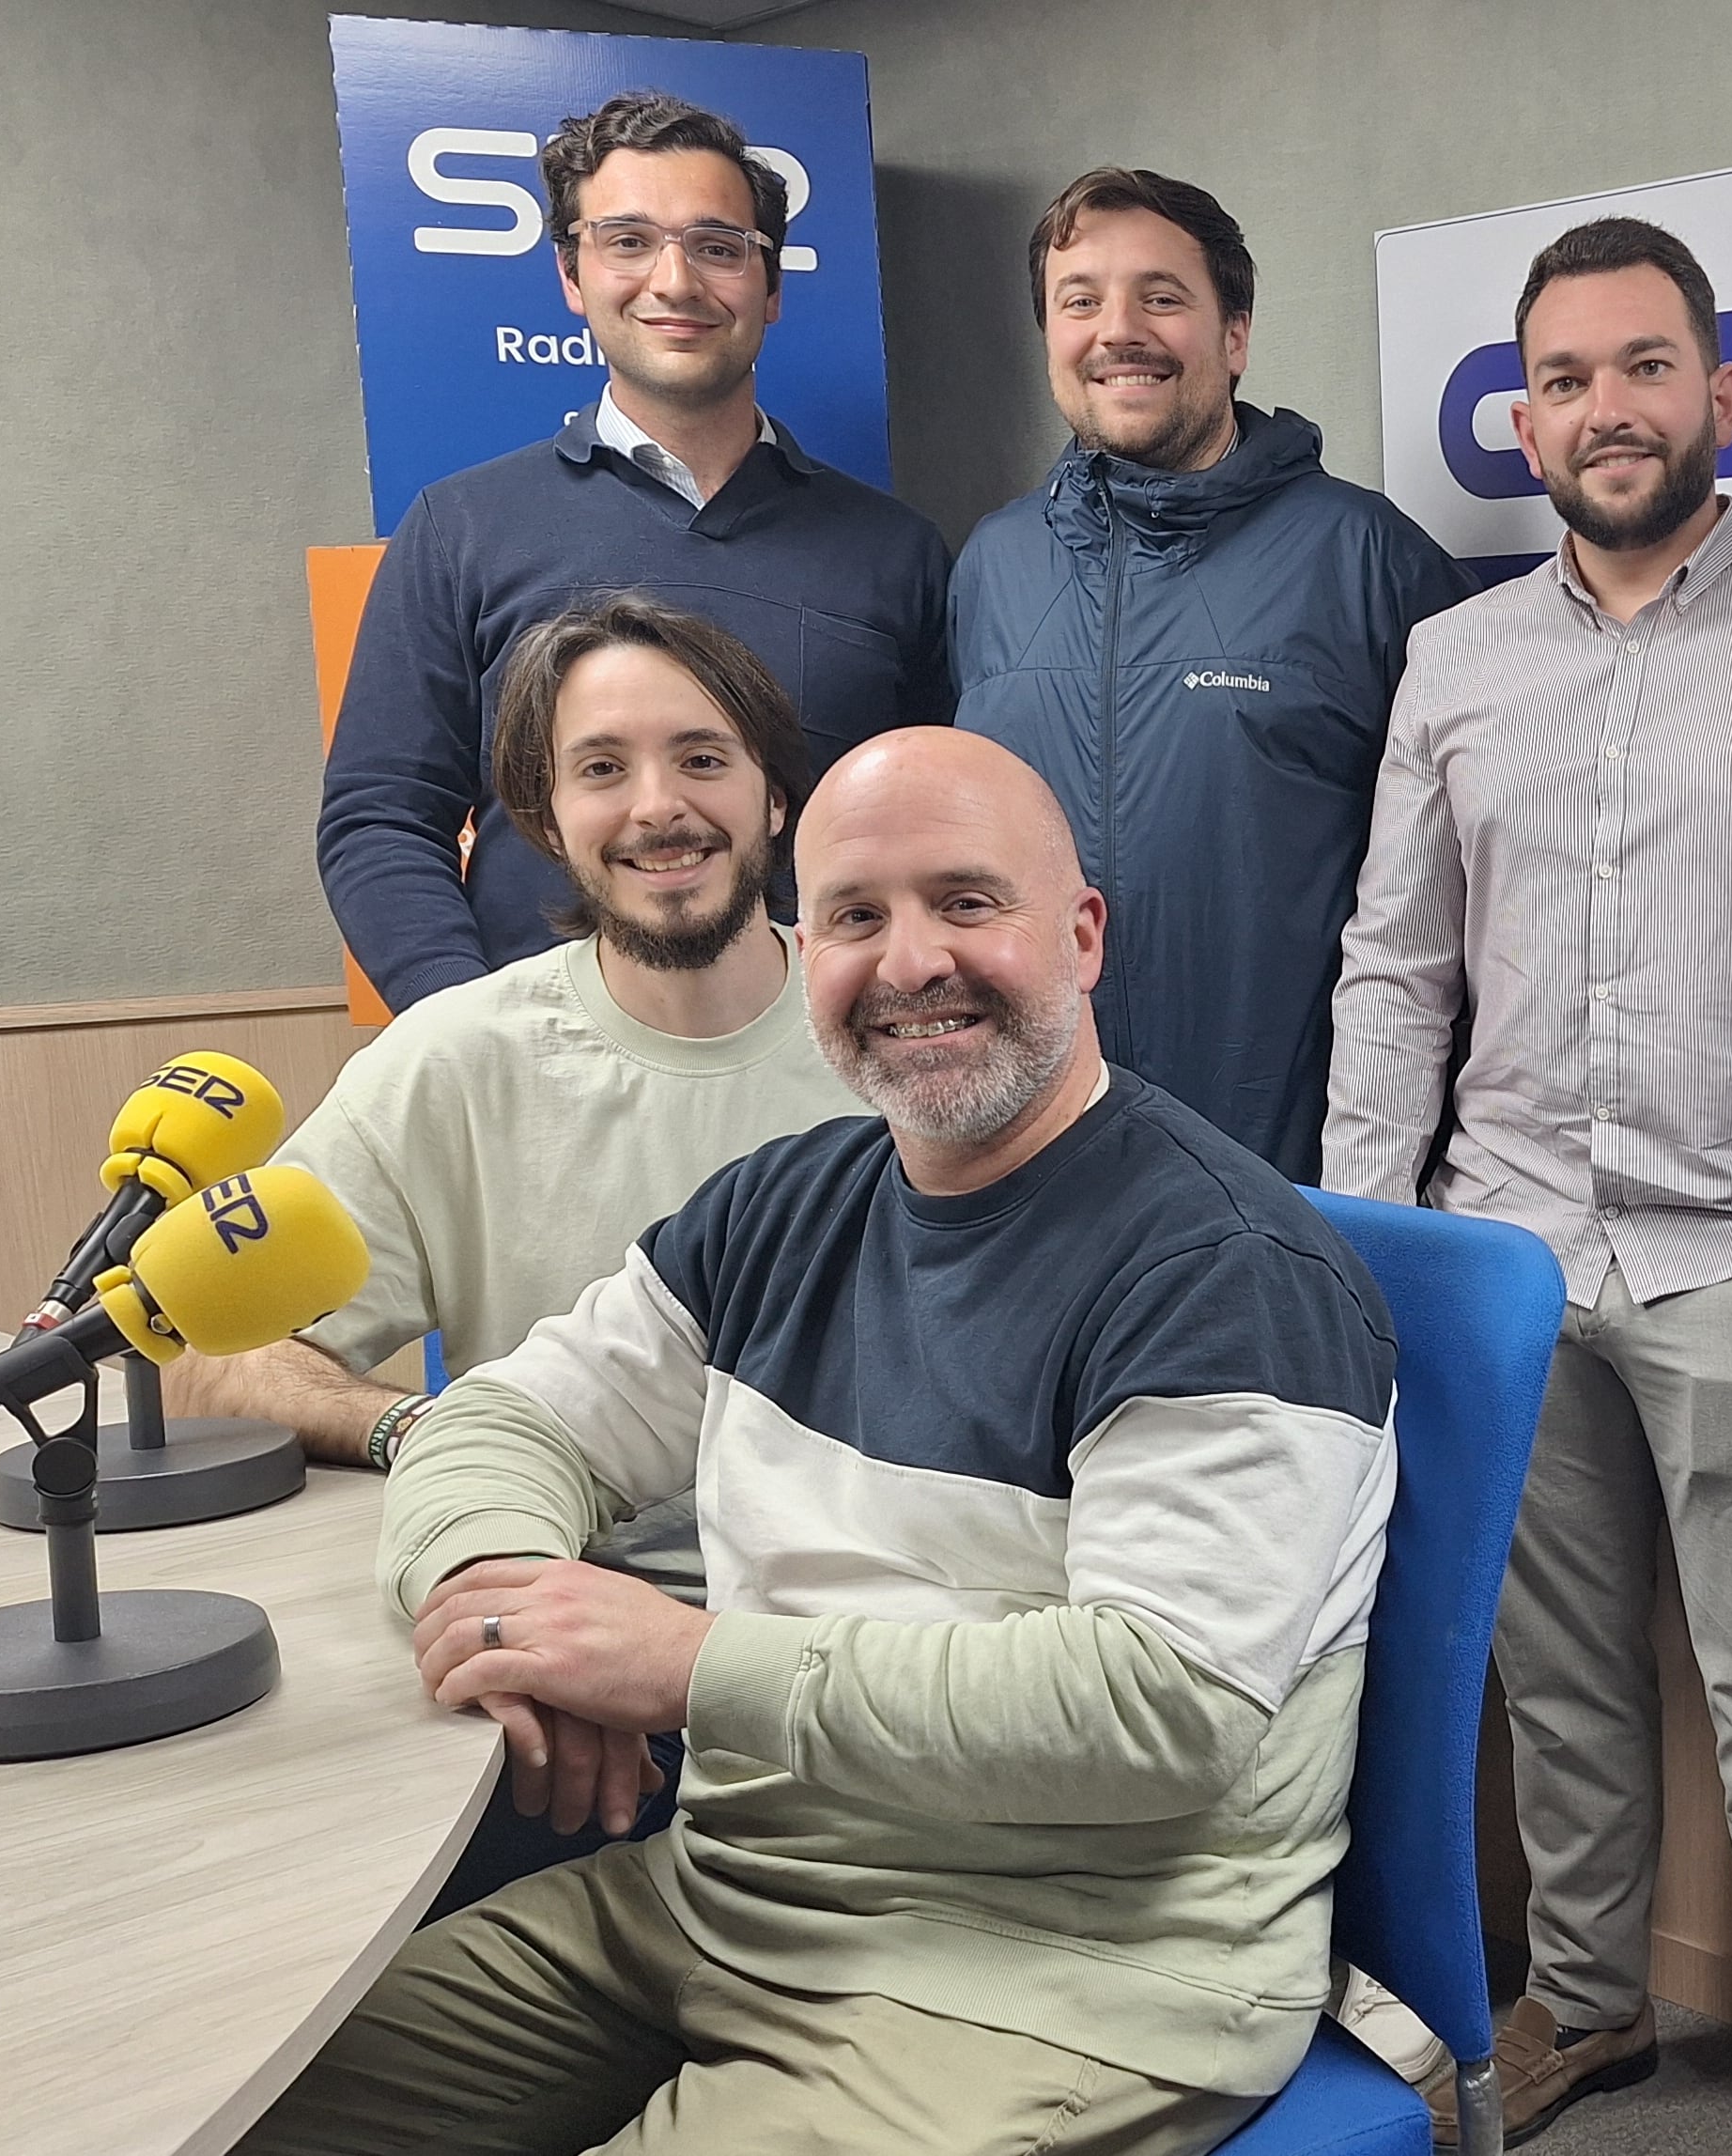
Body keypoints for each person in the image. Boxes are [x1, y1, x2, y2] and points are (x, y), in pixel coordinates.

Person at [235, 727, 1400, 2156]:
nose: (909, 961)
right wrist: (508, 1605)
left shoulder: (1222, 1272)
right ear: (807, 952)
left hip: (1057, 1972)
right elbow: (508, 1417)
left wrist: (680, 1665)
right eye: (854, 915)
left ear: (1082, 934)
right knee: (240, 2104)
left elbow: (1156, 1710)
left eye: (967, 902)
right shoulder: (777, 1210)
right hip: (726, 1891)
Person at [1324, 218, 1732, 2156]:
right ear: (1525, 414)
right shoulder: (1456, 662)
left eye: (1643, 367)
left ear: (1720, 396)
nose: (1604, 409)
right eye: (1563, 378)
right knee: (1552, 1675)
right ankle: (1590, 2001)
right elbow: (1397, 966)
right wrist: (1363, 1240)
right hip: (1510, 1250)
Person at [176, 593, 862, 1902]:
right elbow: (219, 1346)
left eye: (704, 757)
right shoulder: (455, 1058)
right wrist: (422, 1438)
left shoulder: (895, 1034)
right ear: (540, 822)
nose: (659, 805)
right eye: (602, 768)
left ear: (779, 795)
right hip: (555, 1673)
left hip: (850, 1678)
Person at [322, 89, 951, 1014]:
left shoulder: (897, 551)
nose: (674, 280)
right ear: (571, 276)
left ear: (770, 287)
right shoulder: (459, 527)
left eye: (717, 246)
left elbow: (934, 827)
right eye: (628, 242)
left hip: (830, 1077)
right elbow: (380, 816)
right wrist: (471, 1032)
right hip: (550, 1083)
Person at [950, 166, 1469, 1182]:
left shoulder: (1367, 560)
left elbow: (1468, 896)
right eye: (1081, 300)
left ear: (1234, 336)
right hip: (1043, 1175)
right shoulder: (991, 568)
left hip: (1293, 1183)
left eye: (1161, 296)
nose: (1118, 329)